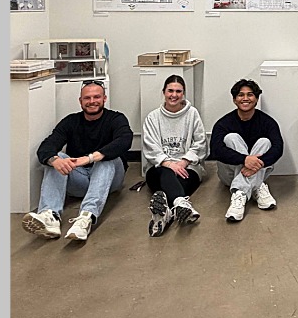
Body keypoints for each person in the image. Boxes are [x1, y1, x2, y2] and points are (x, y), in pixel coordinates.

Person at [23, 80, 133, 241]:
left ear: (104, 99)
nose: (92, 101)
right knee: (57, 158)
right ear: (80, 101)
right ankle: (50, 216)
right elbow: (46, 147)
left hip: (110, 179)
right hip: (80, 179)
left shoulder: (116, 119)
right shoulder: (70, 121)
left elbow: (125, 140)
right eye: (87, 98)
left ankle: (85, 218)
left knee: (107, 158)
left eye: (97, 97)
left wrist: (89, 158)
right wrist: (54, 160)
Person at [142, 75, 209, 237]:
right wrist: (169, 164)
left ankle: (166, 214)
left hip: (188, 169)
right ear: (163, 92)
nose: (174, 95)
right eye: (170, 91)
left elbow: (200, 143)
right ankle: (180, 203)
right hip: (159, 169)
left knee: (168, 187)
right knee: (167, 173)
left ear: (183, 94)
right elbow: (150, 147)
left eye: (178, 91)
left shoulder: (192, 114)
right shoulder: (153, 117)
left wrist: (184, 161)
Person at [209, 78, 284, 222]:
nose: (245, 98)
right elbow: (216, 150)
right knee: (231, 138)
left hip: (257, 170)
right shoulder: (223, 123)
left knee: (265, 141)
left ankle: (239, 195)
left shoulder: (267, 122)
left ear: (256, 99)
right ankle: (257, 187)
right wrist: (245, 160)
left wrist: (256, 163)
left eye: (250, 95)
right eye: (241, 95)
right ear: (234, 99)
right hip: (229, 175)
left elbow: (278, 148)